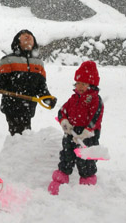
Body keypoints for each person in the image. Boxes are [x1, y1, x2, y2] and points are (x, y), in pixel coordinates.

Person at [0, 29, 57, 136]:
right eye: (23, 35)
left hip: (29, 105)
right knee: (19, 133)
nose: (28, 36)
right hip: (12, 103)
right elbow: (1, 81)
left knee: (25, 133)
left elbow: (41, 86)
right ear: (17, 42)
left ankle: (19, 149)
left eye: (30, 35)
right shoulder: (8, 60)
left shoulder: (39, 63)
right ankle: (18, 149)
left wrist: (47, 97)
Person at [48, 60, 104, 195]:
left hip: (87, 136)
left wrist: (88, 130)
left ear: (91, 85)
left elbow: (96, 116)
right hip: (70, 133)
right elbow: (62, 111)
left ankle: (87, 186)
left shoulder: (95, 99)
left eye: (84, 84)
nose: (80, 86)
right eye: (78, 83)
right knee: (66, 156)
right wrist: (64, 122)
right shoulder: (73, 98)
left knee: (85, 160)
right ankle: (60, 181)